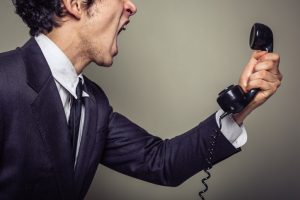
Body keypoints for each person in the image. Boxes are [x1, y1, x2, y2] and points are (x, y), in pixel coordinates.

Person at [0, 0, 282, 199]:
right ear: (75, 4)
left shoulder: (94, 103)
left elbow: (160, 162)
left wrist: (240, 108)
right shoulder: (4, 80)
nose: (131, 6)